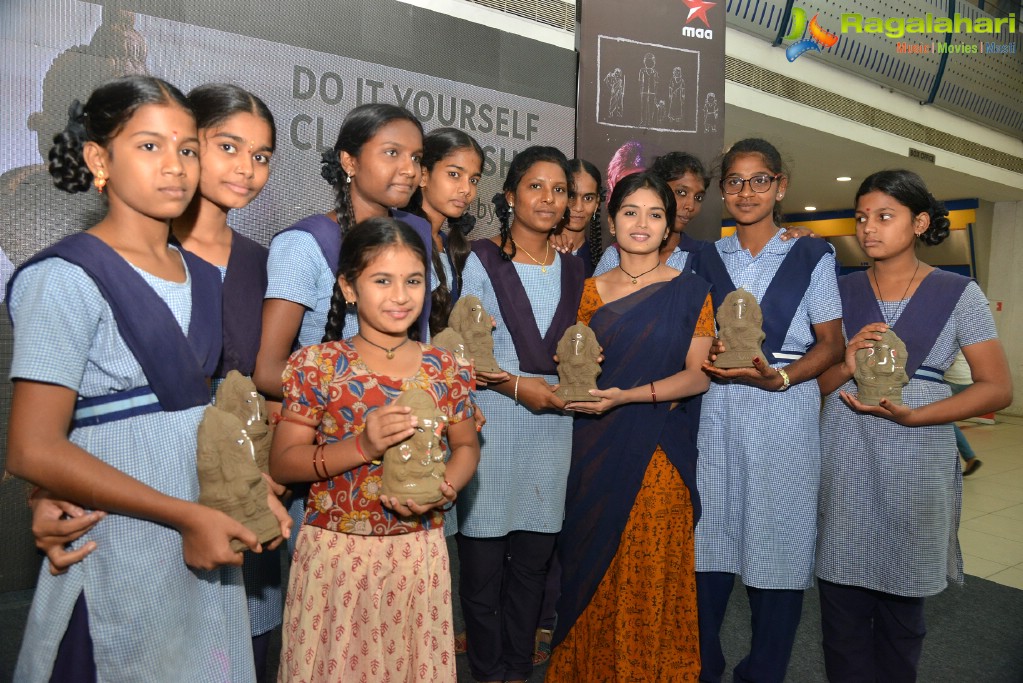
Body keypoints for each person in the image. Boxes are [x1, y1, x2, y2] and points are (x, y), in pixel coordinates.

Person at [6, 75, 279, 682]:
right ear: (99, 158)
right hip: (121, 538)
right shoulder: (65, 277)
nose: (175, 166)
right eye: (149, 147)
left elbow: (197, 418)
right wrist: (184, 515)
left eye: (186, 148)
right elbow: (32, 446)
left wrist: (245, 490)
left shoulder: (201, 278)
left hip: (201, 529)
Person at [815, 169, 1012, 682]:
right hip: (846, 451)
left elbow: (996, 387)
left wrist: (917, 415)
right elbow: (811, 386)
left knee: (903, 607)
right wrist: (844, 360)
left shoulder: (957, 292)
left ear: (919, 222)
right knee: (841, 603)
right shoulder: (838, 291)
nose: (868, 229)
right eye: (861, 218)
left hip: (918, 454)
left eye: (885, 216)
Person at [269, 217, 480, 681]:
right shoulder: (317, 365)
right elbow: (283, 462)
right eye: (381, 280)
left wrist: (448, 485)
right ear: (349, 287)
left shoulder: (446, 367)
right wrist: (362, 445)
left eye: (413, 281)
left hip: (417, 551)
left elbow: (466, 445)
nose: (400, 296)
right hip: (337, 554)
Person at [546, 171, 714, 681]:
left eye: (655, 214)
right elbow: (568, 362)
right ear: (612, 220)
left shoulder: (692, 291)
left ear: (669, 228)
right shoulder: (584, 290)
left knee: (649, 570)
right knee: (591, 562)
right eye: (630, 212)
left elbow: (697, 377)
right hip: (591, 447)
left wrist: (628, 397)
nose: (642, 224)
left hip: (659, 450)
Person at [689, 137, 844, 683]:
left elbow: (831, 343)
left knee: (778, 548)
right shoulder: (702, 257)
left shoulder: (811, 254)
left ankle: (766, 671)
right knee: (707, 547)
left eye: (760, 180)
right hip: (713, 420)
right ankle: (704, 667)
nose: (746, 191)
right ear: (723, 192)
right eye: (735, 181)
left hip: (783, 418)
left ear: (780, 186)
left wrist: (781, 377)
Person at [253, 103, 434, 552]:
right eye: (392, 153)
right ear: (349, 162)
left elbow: (421, 351)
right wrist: (361, 404)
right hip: (330, 456)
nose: (409, 170)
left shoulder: (418, 236)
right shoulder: (304, 245)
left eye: (416, 158)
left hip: (409, 455)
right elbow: (268, 369)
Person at [456, 146, 585, 683]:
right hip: (493, 419)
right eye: (536, 186)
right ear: (510, 195)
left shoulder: (577, 270)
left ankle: (517, 670)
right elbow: (466, 352)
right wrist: (516, 386)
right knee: (483, 571)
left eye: (559, 190)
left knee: (533, 565)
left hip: (554, 429)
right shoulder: (483, 259)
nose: (548, 199)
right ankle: (486, 672)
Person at [405, 127, 484, 336]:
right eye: (454, 174)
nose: (466, 189)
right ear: (423, 175)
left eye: (473, 180)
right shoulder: (397, 238)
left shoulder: (454, 248)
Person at [551, 158, 605, 278]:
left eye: (588, 198)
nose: (579, 207)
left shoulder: (603, 263)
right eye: (571, 196)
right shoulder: (539, 249)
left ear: (596, 203)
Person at [944, 350, 983, 475]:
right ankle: (969, 457)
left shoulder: (947, 331)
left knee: (941, 419)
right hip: (968, 379)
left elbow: (949, 360)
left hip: (954, 380)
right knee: (944, 419)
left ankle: (969, 457)